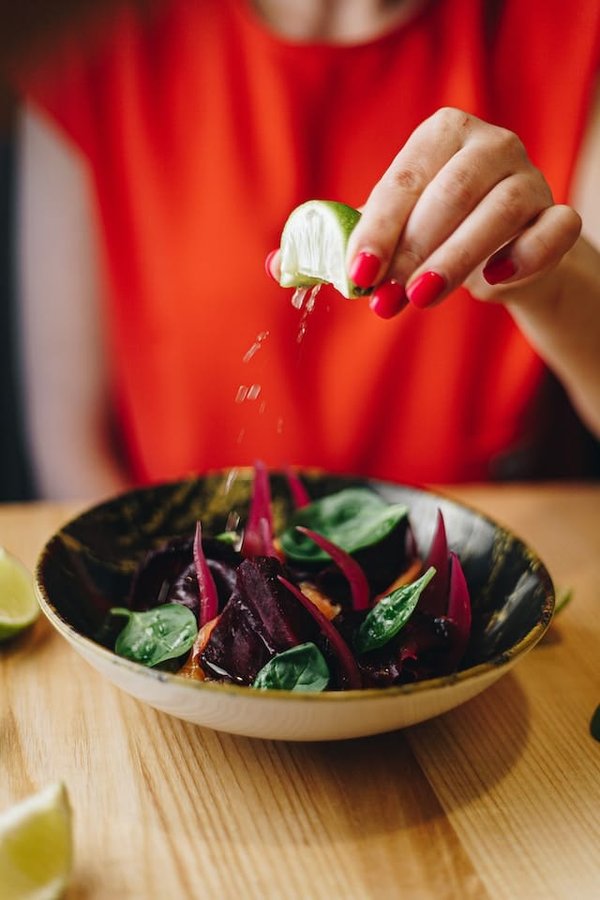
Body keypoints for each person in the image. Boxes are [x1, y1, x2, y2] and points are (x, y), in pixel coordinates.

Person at [12, 0, 600, 499]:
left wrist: (545, 282)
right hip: (184, 585)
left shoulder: (571, 30)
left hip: (477, 597)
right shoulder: (85, 37)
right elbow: (70, 450)